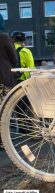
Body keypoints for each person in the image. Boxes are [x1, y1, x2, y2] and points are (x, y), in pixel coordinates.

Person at [0, 15, 18, 149]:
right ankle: (5, 141)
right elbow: (14, 60)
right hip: (4, 78)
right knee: (6, 111)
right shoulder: (5, 37)